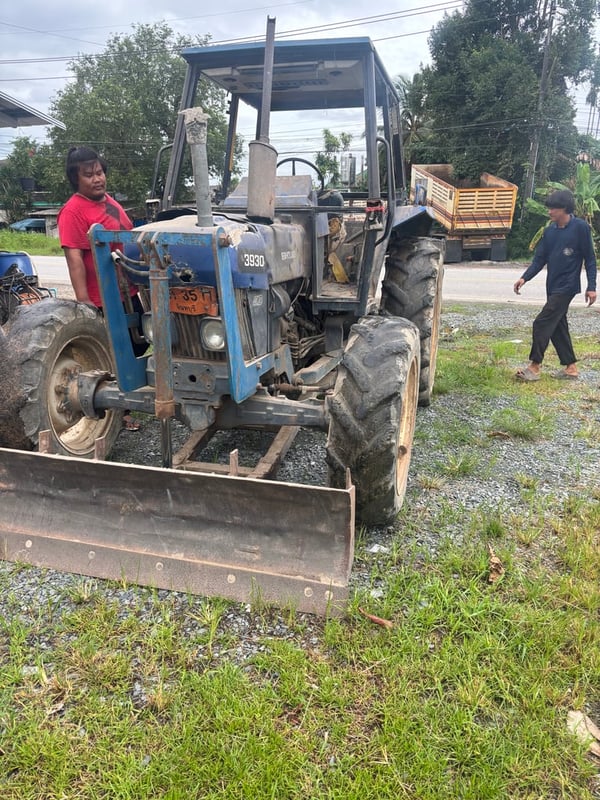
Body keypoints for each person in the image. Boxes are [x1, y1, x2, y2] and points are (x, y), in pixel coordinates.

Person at [57, 146, 143, 429]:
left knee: (137, 346)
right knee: (109, 357)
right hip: (100, 298)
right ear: (76, 178)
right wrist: (84, 304)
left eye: (100, 172)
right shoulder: (72, 211)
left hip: (127, 293)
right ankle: (117, 415)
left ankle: (130, 402)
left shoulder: (111, 203)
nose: (97, 178)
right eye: (88, 174)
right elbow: (75, 260)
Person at [513, 189, 597, 381]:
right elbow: (539, 260)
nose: (550, 212)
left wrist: (591, 287)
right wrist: (524, 278)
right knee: (558, 325)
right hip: (552, 286)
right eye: (549, 208)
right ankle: (571, 367)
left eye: (553, 208)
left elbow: (590, 260)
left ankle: (534, 367)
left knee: (542, 322)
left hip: (567, 286)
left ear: (565, 208)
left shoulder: (580, 228)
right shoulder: (549, 232)